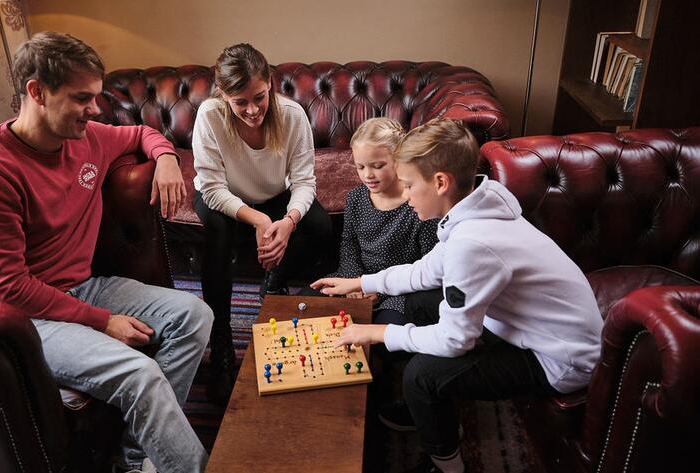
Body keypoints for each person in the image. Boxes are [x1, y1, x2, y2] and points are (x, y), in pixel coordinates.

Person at [0, 32, 213, 473]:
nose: (95, 110)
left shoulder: (86, 136)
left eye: (96, 97)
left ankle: (136, 460)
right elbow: (9, 287)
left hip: (80, 287)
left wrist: (166, 158)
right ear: (37, 92)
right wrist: (102, 322)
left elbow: (143, 132)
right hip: (12, 317)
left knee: (194, 316)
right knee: (140, 374)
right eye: (81, 98)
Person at [311, 118, 603, 473]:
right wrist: (362, 283)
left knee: (419, 376)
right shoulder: (475, 205)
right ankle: (431, 410)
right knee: (418, 304)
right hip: (530, 323)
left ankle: (446, 464)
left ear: (439, 182)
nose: (403, 195)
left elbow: (454, 340)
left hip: (559, 357)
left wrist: (376, 332)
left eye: (407, 186)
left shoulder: (473, 244)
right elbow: (425, 271)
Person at [192, 43, 332, 403]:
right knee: (217, 232)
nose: (252, 110)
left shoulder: (292, 115)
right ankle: (221, 336)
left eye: (259, 97)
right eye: (240, 102)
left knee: (319, 225)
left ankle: (275, 282)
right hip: (223, 200)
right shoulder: (209, 115)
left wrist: (287, 222)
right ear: (223, 95)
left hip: (274, 195)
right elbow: (211, 188)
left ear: (270, 82)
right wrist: (258, 220)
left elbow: (303, 182)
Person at [300, 117, 438, 326]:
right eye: (360, 167)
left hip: (400, 291)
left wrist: (378, 289)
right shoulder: (355, 198)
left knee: (386, 336)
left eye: (377, 166)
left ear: (399, 160)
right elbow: (349, 244)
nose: (368, 175)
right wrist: (354, 283)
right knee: (305, 305)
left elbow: (429, 266)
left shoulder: (418, 206)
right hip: (354, 280)